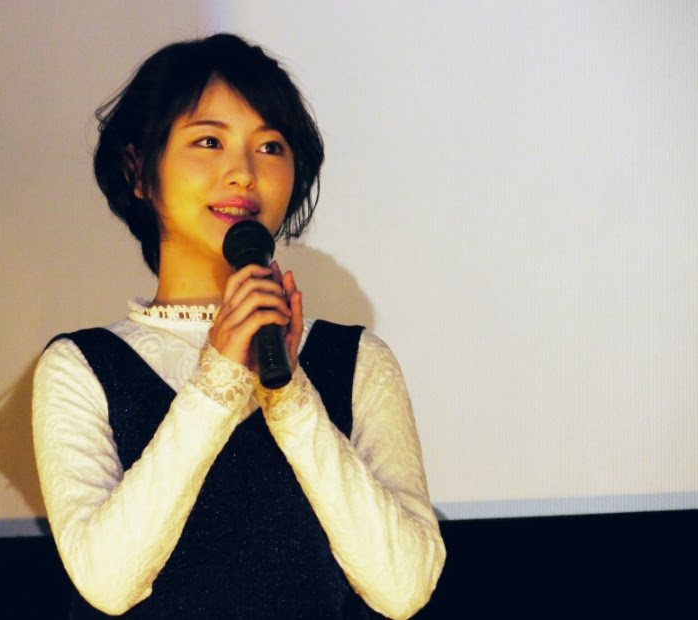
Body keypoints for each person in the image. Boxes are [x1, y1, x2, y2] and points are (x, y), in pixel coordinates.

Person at [32, 33, 445, 620]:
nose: (244, 174)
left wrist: (292, 400)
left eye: (270, 147)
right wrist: (218, 381)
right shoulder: (81, 368)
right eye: (208, 141)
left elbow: (404, 589)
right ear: (137, 170)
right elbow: (107, 582)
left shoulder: (357, 360)